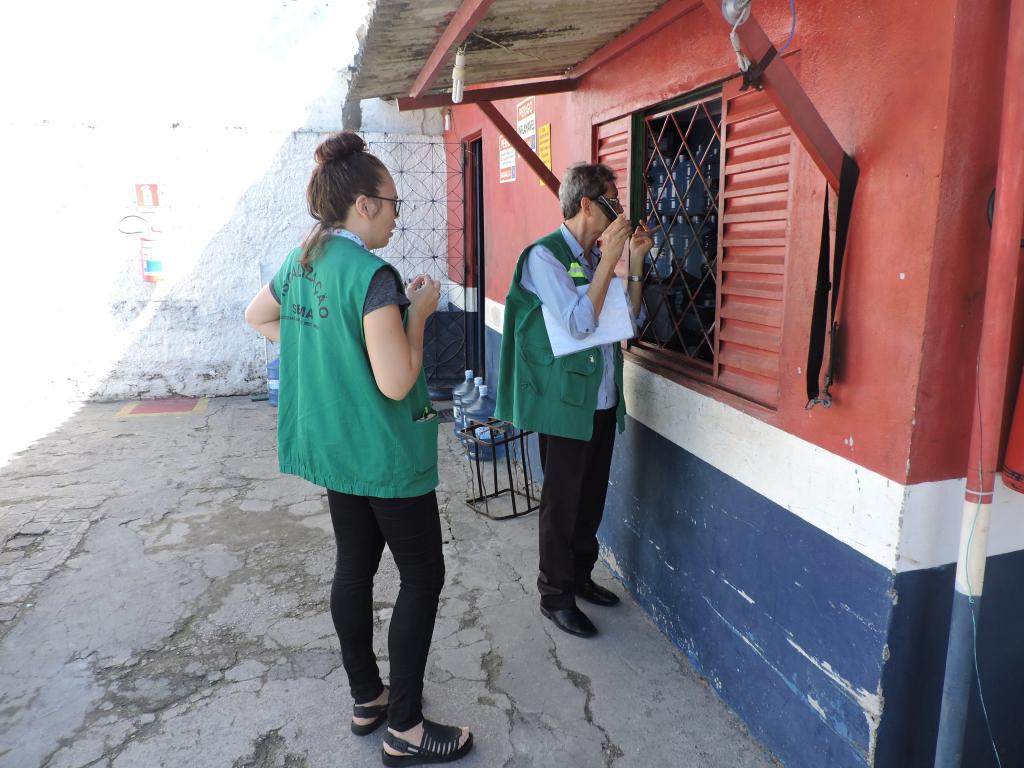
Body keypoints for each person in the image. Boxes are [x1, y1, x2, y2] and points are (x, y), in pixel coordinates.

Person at [244, 132, 472, 766]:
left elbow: (259, 317)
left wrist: (329, 354)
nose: (397, 216)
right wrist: (419, 313)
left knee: (354, 567)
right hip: (383, 453)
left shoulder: (303, 259)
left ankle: (368, 698)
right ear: (364, 205)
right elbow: (397, 382)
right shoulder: (374, 276)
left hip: (336, 450)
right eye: (394, 203)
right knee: (422, 575)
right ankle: (406, 727)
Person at [495, 162, 652, 639]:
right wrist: (610, 260)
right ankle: (555, 596)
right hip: (564, 404)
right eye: (612, 201)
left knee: (590, 498)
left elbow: (628, 320)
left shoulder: (592, 257)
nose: (619, 210)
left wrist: (634, 263)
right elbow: (580, 324)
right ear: (586, 204)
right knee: (562, 504)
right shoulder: (544, 257)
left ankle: (580, 577)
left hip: (602, 399)